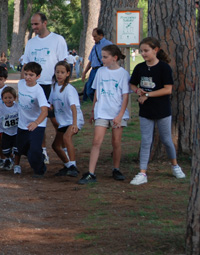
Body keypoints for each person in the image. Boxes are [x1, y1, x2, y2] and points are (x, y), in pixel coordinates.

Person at [128, 37, 185, 185]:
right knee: (146, 140)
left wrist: (147, 94)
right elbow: (132, 84)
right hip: (145, 111)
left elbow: (167, 90)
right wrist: (138, 91)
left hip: (162, 110)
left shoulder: (164, 68)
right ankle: (142, 173)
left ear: (156, 50)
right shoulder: (140, 68)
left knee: (166, 140)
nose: (143, 54)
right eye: (141, 51)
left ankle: (175, 166)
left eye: (146, 51)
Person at [21, 12, 68, 164]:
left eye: (36, 24)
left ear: (45, 23)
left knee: (56, 120)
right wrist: (24, 85)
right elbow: (25, 66)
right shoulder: (31, 43)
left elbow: (64, 64)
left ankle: (64, 145)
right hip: (35, 86)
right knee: (38, 121)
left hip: (52, 85)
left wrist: (62, 86)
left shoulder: (57, 40)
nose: (34, 27)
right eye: (32, 25)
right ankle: (42, 151)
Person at [78, 45, 129, 184]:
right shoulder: (100, 71)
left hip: (117, 113)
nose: (102, 59)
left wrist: (120, 115)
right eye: (102, 56)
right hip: (102, 111)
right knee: (96, 141)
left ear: (115, 58)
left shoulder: (123, 74)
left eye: (105, 57)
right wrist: (94, 110)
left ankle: (116, 169)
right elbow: (97, 92)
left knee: (116, 142)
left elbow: (125, 97)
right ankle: (91, 172)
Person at [13, 62, 50, 177]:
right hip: (23, 123)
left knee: (34, 150)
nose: (28, 77)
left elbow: (45, 111)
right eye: (26, 74)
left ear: (38, 76)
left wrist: (36, 122)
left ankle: (40, 170)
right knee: (21, 148)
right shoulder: (20, 83)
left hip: (37, 124)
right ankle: (39, 155)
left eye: (31, 75)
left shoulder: (38, 91)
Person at [49, 61, 84, 178]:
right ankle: (67, 165)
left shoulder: (69, 89)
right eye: (57, 72)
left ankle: (73, 166)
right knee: (55, 145)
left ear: (68, 73)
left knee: (66, 137)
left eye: (62, 72)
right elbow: (50, 105)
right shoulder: (54, 87)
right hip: (63, 121)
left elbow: (74, 107)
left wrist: (74, 123)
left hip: (74, 119)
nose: (59, 75)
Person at [0, 87, 19, 171]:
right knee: (5, 151)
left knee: (16, 150)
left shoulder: (18, 107)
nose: (8, 100)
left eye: (10, 98)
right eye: (5, 98)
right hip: (6, 133)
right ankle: (10, 158)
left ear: (15, 98)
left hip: (16, 132)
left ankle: (16, 164)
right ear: (2, 99)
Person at [82, 28, 112, 102]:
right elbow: (91, 61)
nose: (93, 38)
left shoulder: (108, 44)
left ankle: (101, 103)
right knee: (89, 90)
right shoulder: (94, 47)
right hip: (94, 70)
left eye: (95, 36)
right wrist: (85, 72)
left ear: (101, 35)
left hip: (102, 69)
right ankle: (97, 103)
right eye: (93, 36)